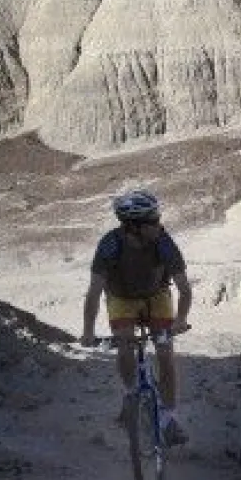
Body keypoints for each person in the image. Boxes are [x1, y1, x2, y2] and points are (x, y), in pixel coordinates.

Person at [81, 189, 193, 446]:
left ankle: (169, 420)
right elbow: (94, 292)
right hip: (121, 297)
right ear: (133, 226)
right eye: (153, 221)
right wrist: (88, 331)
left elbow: (184, 288)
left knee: (165, 352)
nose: (159, 224)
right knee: (124, 345)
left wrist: (180, 320)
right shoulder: (109, 245)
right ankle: (130, 393)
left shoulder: (163, 241)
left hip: (157, 295)